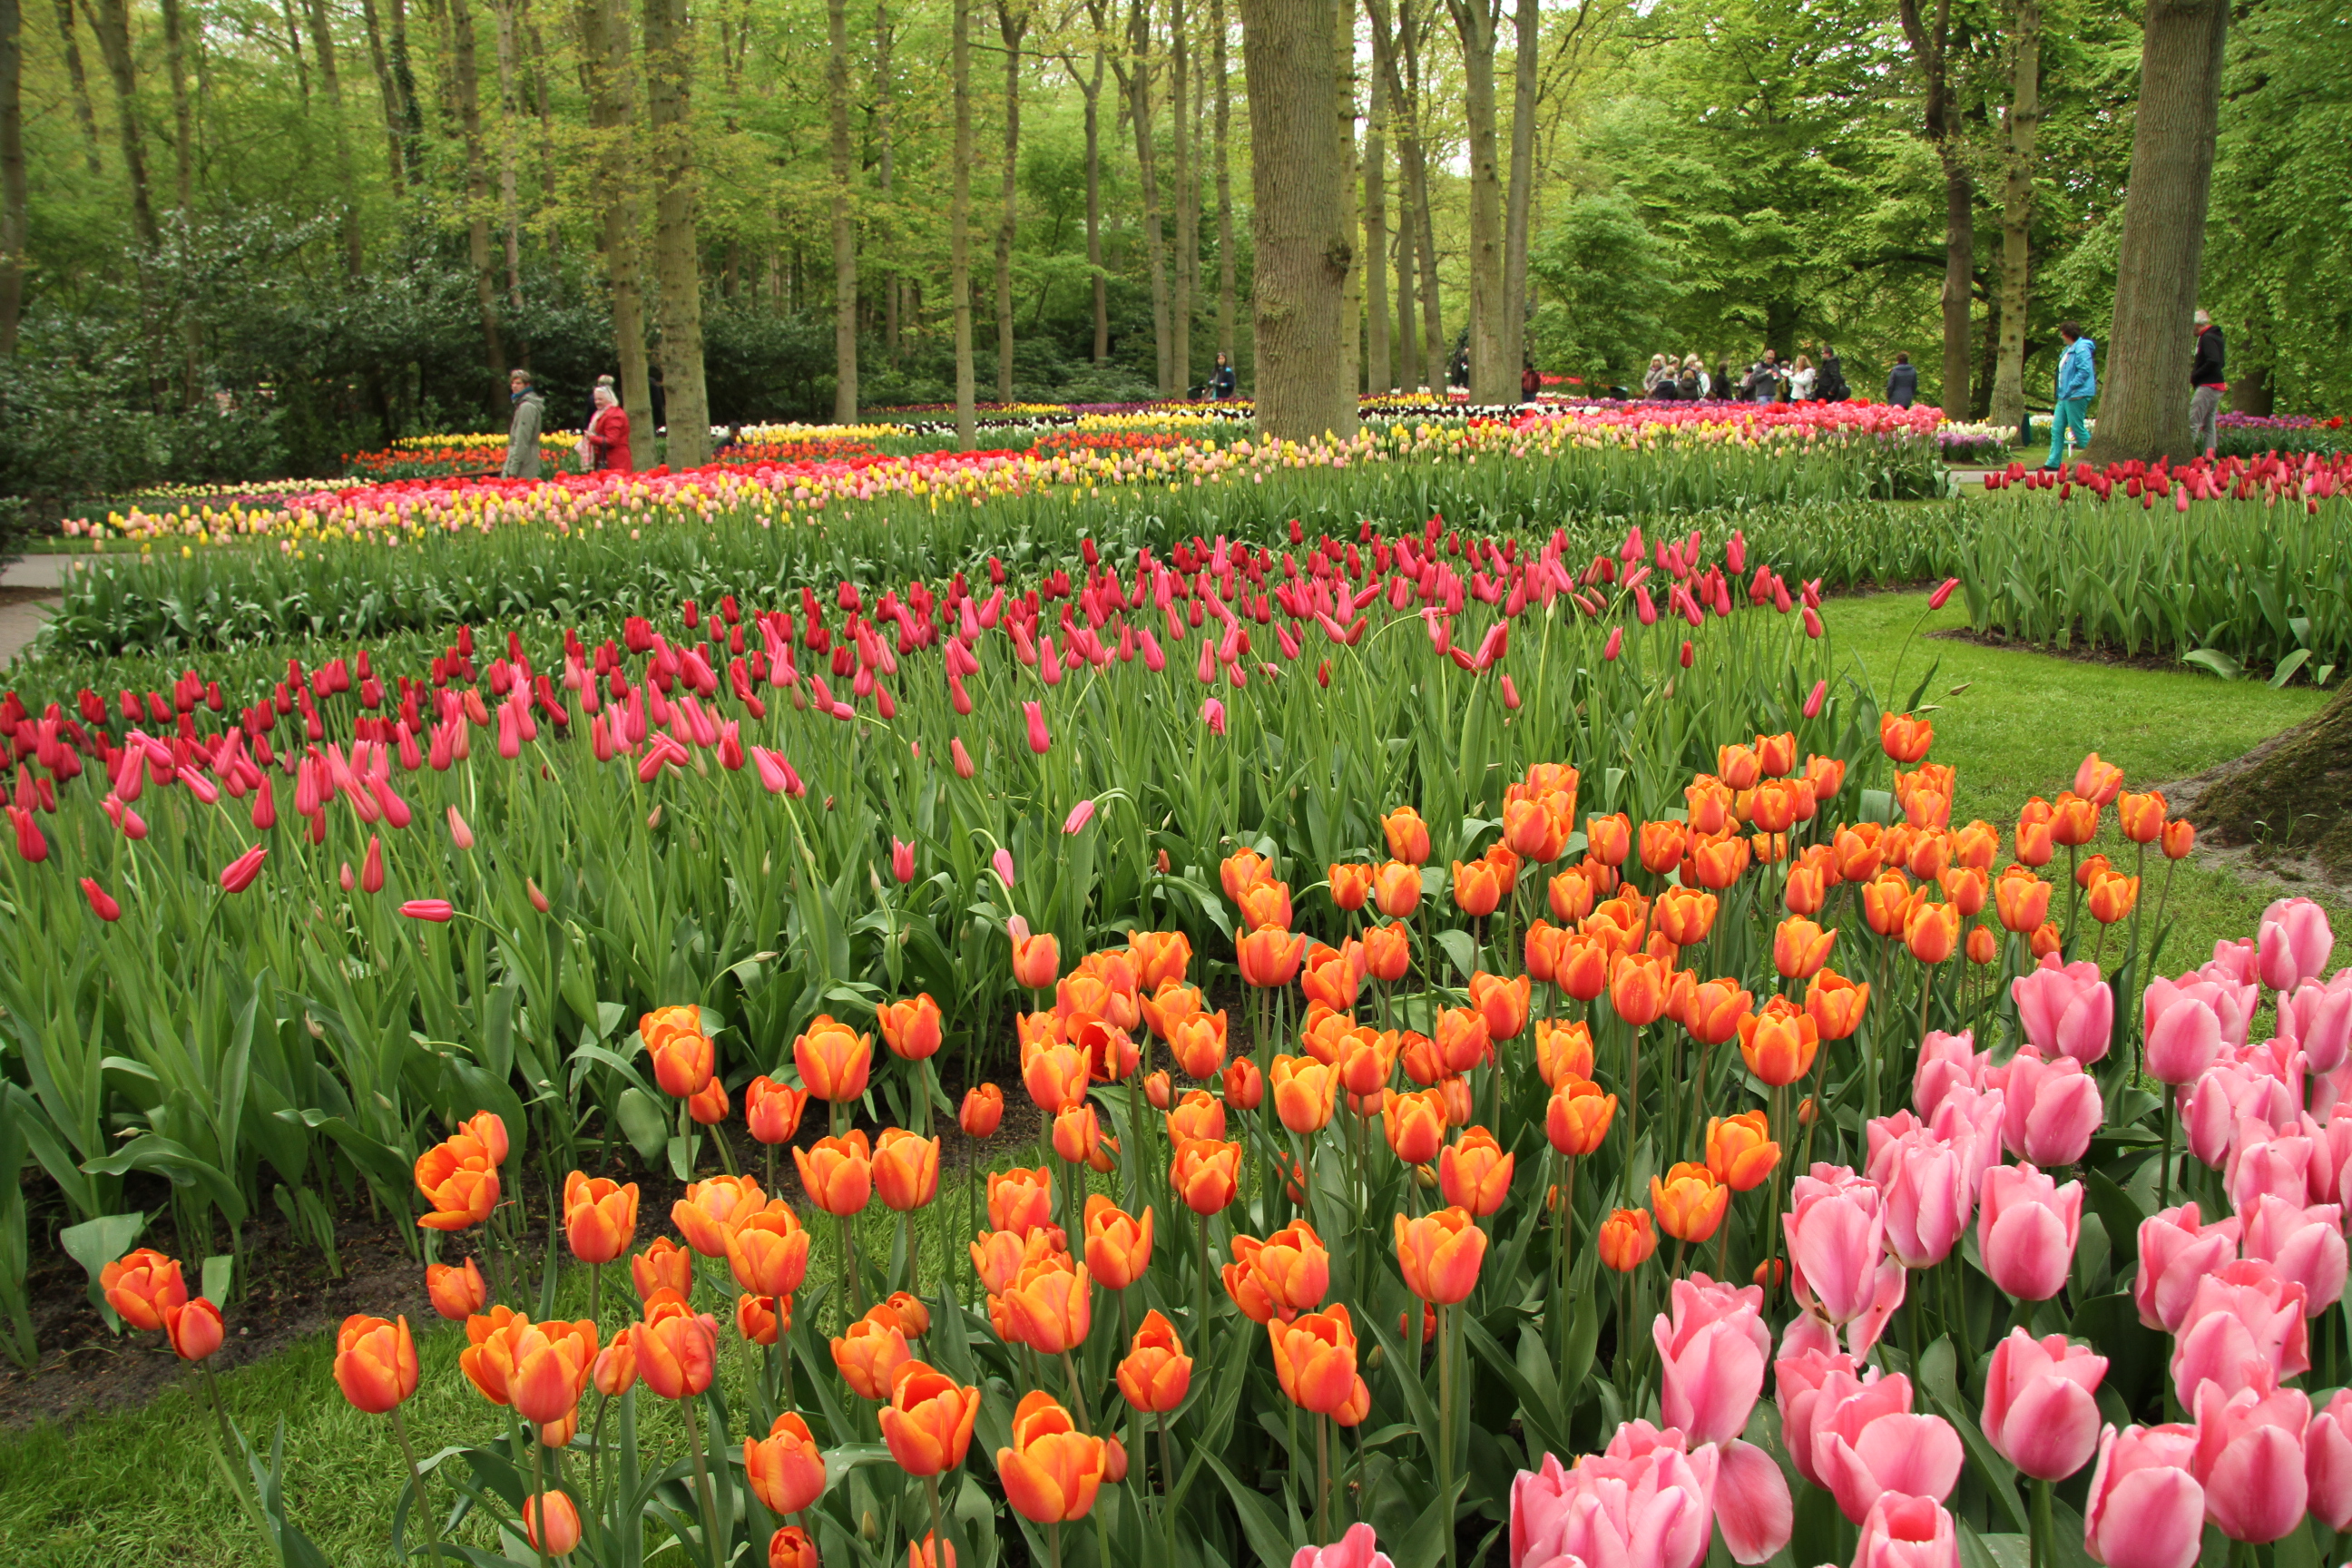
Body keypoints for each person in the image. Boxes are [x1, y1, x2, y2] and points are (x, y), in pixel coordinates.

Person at [2044, 320, 2096, 470]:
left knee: (2076, 428)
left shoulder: (2082, 349)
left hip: (2076, 395)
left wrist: (2070, 386)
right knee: (2057, 428)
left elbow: (2084, 371)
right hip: (2065, 395)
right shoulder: (2069, 349)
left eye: (2062, 333)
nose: (2061, 336)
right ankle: (2053, 463)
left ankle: (2092, 458)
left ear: (2067, 335)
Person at [2190, 309, 2226, 454]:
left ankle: (2187, 455)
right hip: (2217, 385)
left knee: (2193, 421)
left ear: (2196, 325)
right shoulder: (2217, 337)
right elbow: (2220, 362)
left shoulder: (2207, 338)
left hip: (2207, 385)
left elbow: (2214, 360)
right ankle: (2209, 456)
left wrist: (2195, 375)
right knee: (2209, 424)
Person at [502, 368, 545, 478]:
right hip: (525, 458)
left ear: (527, 385)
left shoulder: (527, 407)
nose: (514, 386)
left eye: (518, 383)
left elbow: (522, 439)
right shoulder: (522, 405)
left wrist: (513, 468)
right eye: (512, 383)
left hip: (524, 462)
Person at [585, 377, 632, 473]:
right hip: (607, 459)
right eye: (595, 399)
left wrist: (592, 438)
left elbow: (611, 441)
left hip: (615, 461)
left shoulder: (614, 415)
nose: (597, 402)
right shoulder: (603, 413)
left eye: (600, 399)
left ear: (609, 399)